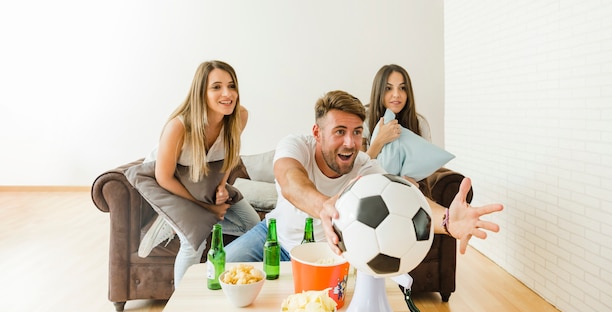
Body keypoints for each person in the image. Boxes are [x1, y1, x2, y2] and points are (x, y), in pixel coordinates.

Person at [225, 90, 503, 262]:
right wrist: (323, 204)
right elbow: (289, 179)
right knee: (219, 270)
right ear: (317, 132)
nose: (350, 142)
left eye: (357, 132)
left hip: (327, 254)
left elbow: (404, 195)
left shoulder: (364, 166)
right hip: (274, 237)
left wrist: (446, 219)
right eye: (339, 132)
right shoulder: (296, 146)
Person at [129, 61, 259, 287]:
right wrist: (207, 208)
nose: (227, 94)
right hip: (167, 183)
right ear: (201, 92)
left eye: (231, 86)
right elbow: (164, 177)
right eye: (216, 87)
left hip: (201, 178)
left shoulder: (239, 116)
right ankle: (180, 307)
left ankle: (180, 225)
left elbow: (231, 152)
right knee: (193, 242)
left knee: (253, 224)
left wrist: (221, 186)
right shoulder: (178, 127)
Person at [364, 64, 431, 157]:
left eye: (402, 88)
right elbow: (359, 167)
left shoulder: (419, 122)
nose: (396, 94)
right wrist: (380, 141)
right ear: (379, 91)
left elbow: (427, 161)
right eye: (388, 88)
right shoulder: (364, 120)